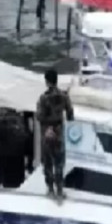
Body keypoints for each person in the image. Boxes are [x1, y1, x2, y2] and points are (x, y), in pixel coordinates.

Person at [36, 68, 74, 200]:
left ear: (47, 81)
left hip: (47, 131)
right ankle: (60, 190)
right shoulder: (64, 96)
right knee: (59, 162)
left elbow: (39, 117)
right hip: (58, 132)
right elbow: (70, 114)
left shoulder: (43, 97)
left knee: (47, 162)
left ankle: (50, 189)